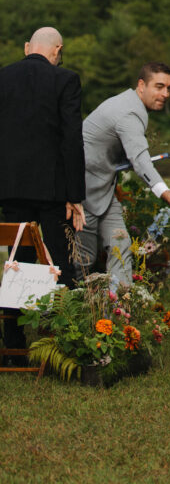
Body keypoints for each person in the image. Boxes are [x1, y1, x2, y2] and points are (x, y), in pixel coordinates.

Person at [0, 27, 85, 361]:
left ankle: (13, 341)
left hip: (11, 188)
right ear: (58, 50)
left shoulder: (3, 77)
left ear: (26, 48)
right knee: (58, 262)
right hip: (51, 191)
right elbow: (70, 140)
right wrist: (75, 195)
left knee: (18, 260)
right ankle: (65, 339)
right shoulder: (66, 80)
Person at [74, 62, 170, 283]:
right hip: (81, 192)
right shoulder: (130, 113)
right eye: (159, 86)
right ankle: (61, 311)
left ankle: (119, 310)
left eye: (169, 88)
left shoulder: (129, 103)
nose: (165, 94)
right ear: (142, 85)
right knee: (82, 261)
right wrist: (169, 197)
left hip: (103, 191)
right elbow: (141, 162)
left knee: (121, 248)